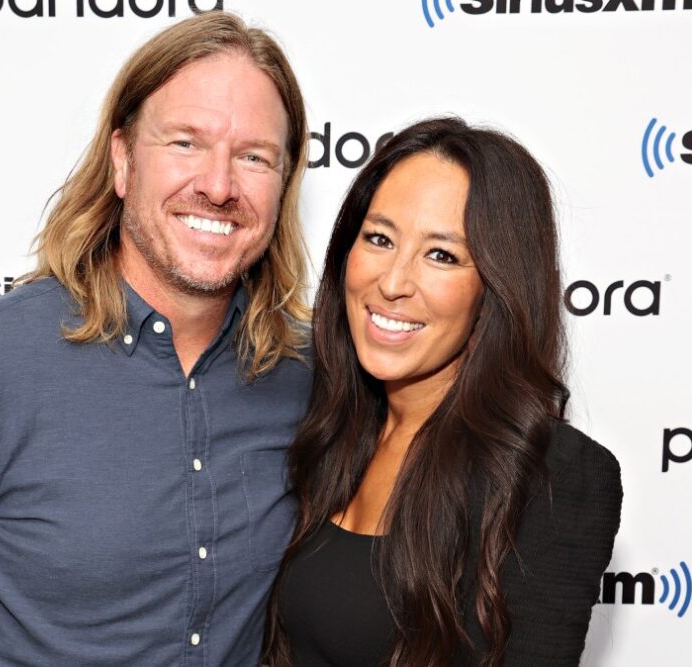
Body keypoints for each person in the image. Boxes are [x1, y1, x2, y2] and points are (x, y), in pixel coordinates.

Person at [0, 12, 312, 666]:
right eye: (186, 143)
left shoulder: (307, 377)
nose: (218, 186)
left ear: (283, 182)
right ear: (123, 161)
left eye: (253, 157)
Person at [264, 117, 623, 667]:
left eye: (442, 255)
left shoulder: (552, 476)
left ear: (496, 288)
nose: (392, 282)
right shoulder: (328, 424)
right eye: (379, 239)